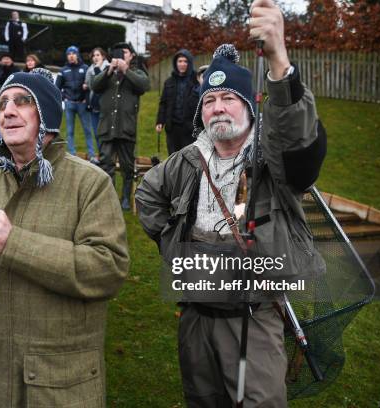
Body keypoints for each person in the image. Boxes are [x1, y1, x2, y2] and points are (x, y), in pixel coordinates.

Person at [135, 0, 327, 405]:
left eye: (229, 98)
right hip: (195, 318)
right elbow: (147, 194)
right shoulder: (187, 160)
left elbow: (299, 142)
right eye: (209, 100)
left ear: (249, 108)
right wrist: (174, 243)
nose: (218, 106)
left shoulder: (271, 160)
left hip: (254, 319)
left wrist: (278, 61)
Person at [0, 68, 129, 407]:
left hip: (56, 387)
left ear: (47, 115)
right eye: (2, 104)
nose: (7, 111)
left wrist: (13, 242)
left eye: (22, 102)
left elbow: (107, 269)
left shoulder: (90, 184)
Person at [92, 42, 150, 211]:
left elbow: (144, 85)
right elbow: (95, 85)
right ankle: (109, 199)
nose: (121, 55)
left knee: (127, 167)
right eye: (119, 53)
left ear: (131, 56)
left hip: (126, 128)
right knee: (106, 165)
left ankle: (125, 198)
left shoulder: (136, 73)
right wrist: (109, 70)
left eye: (125, 52)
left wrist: (126, 70)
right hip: (106, 128)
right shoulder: (106, 73)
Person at [55, 45, 97, 163]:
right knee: (70, 131)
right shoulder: (63, 70)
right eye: (69, 54)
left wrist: (86, 99)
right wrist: (64, 98)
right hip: (69, 104)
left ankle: (92, 154)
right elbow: (57, 88)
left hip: (82, 104)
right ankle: (72, 154)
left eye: (73, 53)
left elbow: (90, 85)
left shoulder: (85, 68)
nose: (71, 56)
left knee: (88, 130)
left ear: (77, 55)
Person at [156, 49, 200, 155]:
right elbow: (163, 103)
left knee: (189, 157)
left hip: (189, 128)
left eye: (185, 61)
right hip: (172, 127)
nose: (182, 64)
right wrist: (160, 121)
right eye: (179, 61)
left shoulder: (196, 81)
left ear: (189, 63)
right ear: (176, 63)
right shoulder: (169, 82)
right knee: (173, 157)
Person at [85, 47, 109, 156]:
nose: (95, 58)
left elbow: (102, 84)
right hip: (94, 105)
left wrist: (97, 68)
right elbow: (90, 85)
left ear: (103, 56)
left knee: (104, 133)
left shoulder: (108, 68)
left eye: (98, 55)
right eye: (94, 56)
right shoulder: (90, 70)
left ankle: (106, 156)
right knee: (96, 133)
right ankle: (101, 155)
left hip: (105, 106)